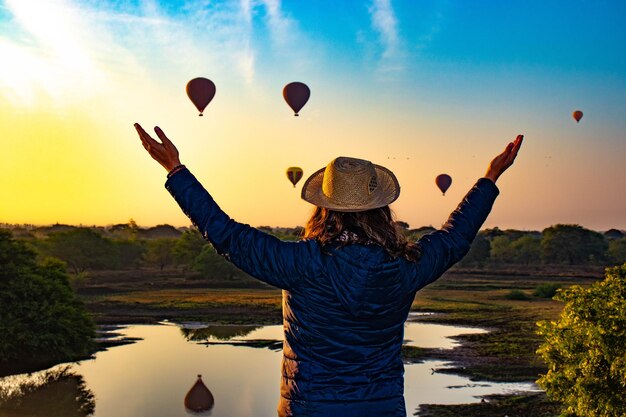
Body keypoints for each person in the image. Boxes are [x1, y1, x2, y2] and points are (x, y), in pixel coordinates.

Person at [134, 123, 523, 417]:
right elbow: (455, 237)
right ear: (382, 210)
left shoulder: (301, 264)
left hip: (310, 408)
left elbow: (228, 236)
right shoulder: (406, 267)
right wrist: (489, 178)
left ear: (324, 208)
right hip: (381, 408)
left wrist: (176, 170)